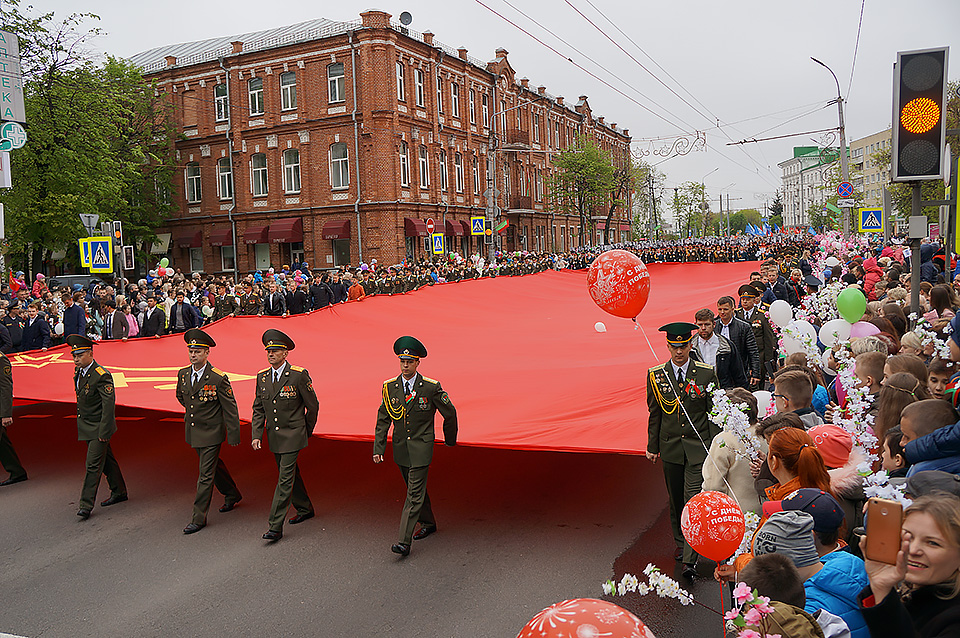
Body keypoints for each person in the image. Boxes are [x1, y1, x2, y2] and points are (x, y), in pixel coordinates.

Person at [647, 321, 720, 578]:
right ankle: (681, 541)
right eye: (674, 347)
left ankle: (690, 558)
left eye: (684, 346)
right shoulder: (656, 376)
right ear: (668, 347)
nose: (679, 352)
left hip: (697, 447)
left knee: (692, 499)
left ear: (691, 345)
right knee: (676, 499)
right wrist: (652, 446)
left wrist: (715, 447)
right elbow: (655, 413)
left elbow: (714, 413)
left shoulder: (706, 374)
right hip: (670, 447)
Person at [374, 336, 458, 557]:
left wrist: (449, 439)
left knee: (413, 495)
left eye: (410, 362)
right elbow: (383, 419)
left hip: (421, 448)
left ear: (417, 363)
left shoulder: (430, 387)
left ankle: (404, 541)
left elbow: (450, 413)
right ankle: (428, 523)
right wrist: (378, 448)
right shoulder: (390, 387)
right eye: (402, 361)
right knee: (416, 490)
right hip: (401, 448)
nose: (405, 366)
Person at [858, 494, 960, 637]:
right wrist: (880, 588)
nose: (913, 550)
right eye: (907, 537)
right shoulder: (908, 595)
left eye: (932, 543)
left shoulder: (953, 622)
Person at [251, 329, 319, 542]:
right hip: (275, 436)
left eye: (275, 351)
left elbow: (313, 406)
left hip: (293, 435)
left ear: (285, 353)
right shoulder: (262, 377)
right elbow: (258, 408)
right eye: (268, 351)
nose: (271, 354)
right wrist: (256, 434)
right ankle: (305, 507)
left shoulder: (298, 375)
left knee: (284, 479)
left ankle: (275, 526)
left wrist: (305, 431)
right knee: (289, 473)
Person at [175, 329, 243, 535]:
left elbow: (230, 408)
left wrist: (234, 433)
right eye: (191, 351)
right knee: (214, 466)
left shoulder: (217, 378)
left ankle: (198, 518)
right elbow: (181, 397)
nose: (193, 355)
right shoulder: (183, 374)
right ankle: (232, 493)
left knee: (205, 475)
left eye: (197, 351)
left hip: (212, 432)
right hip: (194, 430)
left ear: (207, 353)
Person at [67, 334, 127, 520]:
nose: (76, 359)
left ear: (91, 354)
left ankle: (85, 505)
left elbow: (108, 405)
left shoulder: (101, 375)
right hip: (87, 425)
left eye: (80, 355)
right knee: (107, 460)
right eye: (74, 356)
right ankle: (119, 491)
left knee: (93, 464)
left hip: (99, 426)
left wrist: (104, 431)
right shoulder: (79, 372)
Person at [701, 388, 765, 514]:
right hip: (766, 510)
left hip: (735, 513)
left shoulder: (723, 440)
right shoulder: (767, 434)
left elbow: (713, 485)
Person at [691, 308, 747, 390]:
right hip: (698, 393)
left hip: (724, 391)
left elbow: (738, 375)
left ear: (714, 324)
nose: (703, 328)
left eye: (707, 324)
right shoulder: (690, 348)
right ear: (695, 325)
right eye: (700, 325)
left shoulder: (727, 346)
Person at [737, 283, 778, 387]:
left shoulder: (762, 315)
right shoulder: (737, 315)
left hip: (759, 356)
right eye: (743, 299)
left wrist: (768, 360)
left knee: (758, 386)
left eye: (748, 299)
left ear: (753, 300)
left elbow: (768, 338)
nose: (745, 302)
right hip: (741, 357)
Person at [716, 295, 760, 387]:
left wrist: (755, 373)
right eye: (720, 309)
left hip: (739, 370)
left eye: (725, 309)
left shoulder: (744, 327)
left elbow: (752, 351)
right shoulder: (714, 327)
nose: (722, 312)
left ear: (733, 309)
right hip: (719, 371)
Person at [0, 348, 25, 486]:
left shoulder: (1, 359)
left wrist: (6, 414)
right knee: (3, 443)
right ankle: (17, 472)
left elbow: (5, 387)